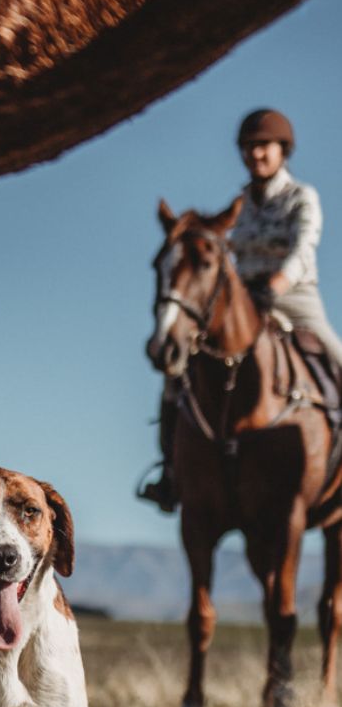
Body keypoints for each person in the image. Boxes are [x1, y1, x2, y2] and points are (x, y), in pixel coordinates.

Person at [139, 108, 342, 512]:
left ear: (282, 151)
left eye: (263, 147)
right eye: (249, 149)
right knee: (179, 371)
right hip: (240, 303)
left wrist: (276, 286)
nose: (256, 156)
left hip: (293, 296)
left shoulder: (302, 197)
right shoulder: (238, 207)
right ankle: (170, 472)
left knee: (337, 360)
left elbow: (304, 250)